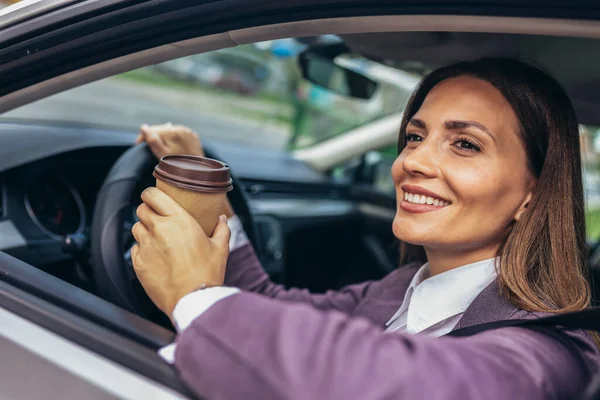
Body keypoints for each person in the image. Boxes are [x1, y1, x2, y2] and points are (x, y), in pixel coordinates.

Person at [131, 58, 600, 400]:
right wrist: (201, 179)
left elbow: (406, 385)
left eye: (464, 144)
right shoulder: (405, 287)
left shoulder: (554, 351)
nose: (412, 161)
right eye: (415, 136)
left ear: (531, 196)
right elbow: (269, 305)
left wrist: (193, 296)